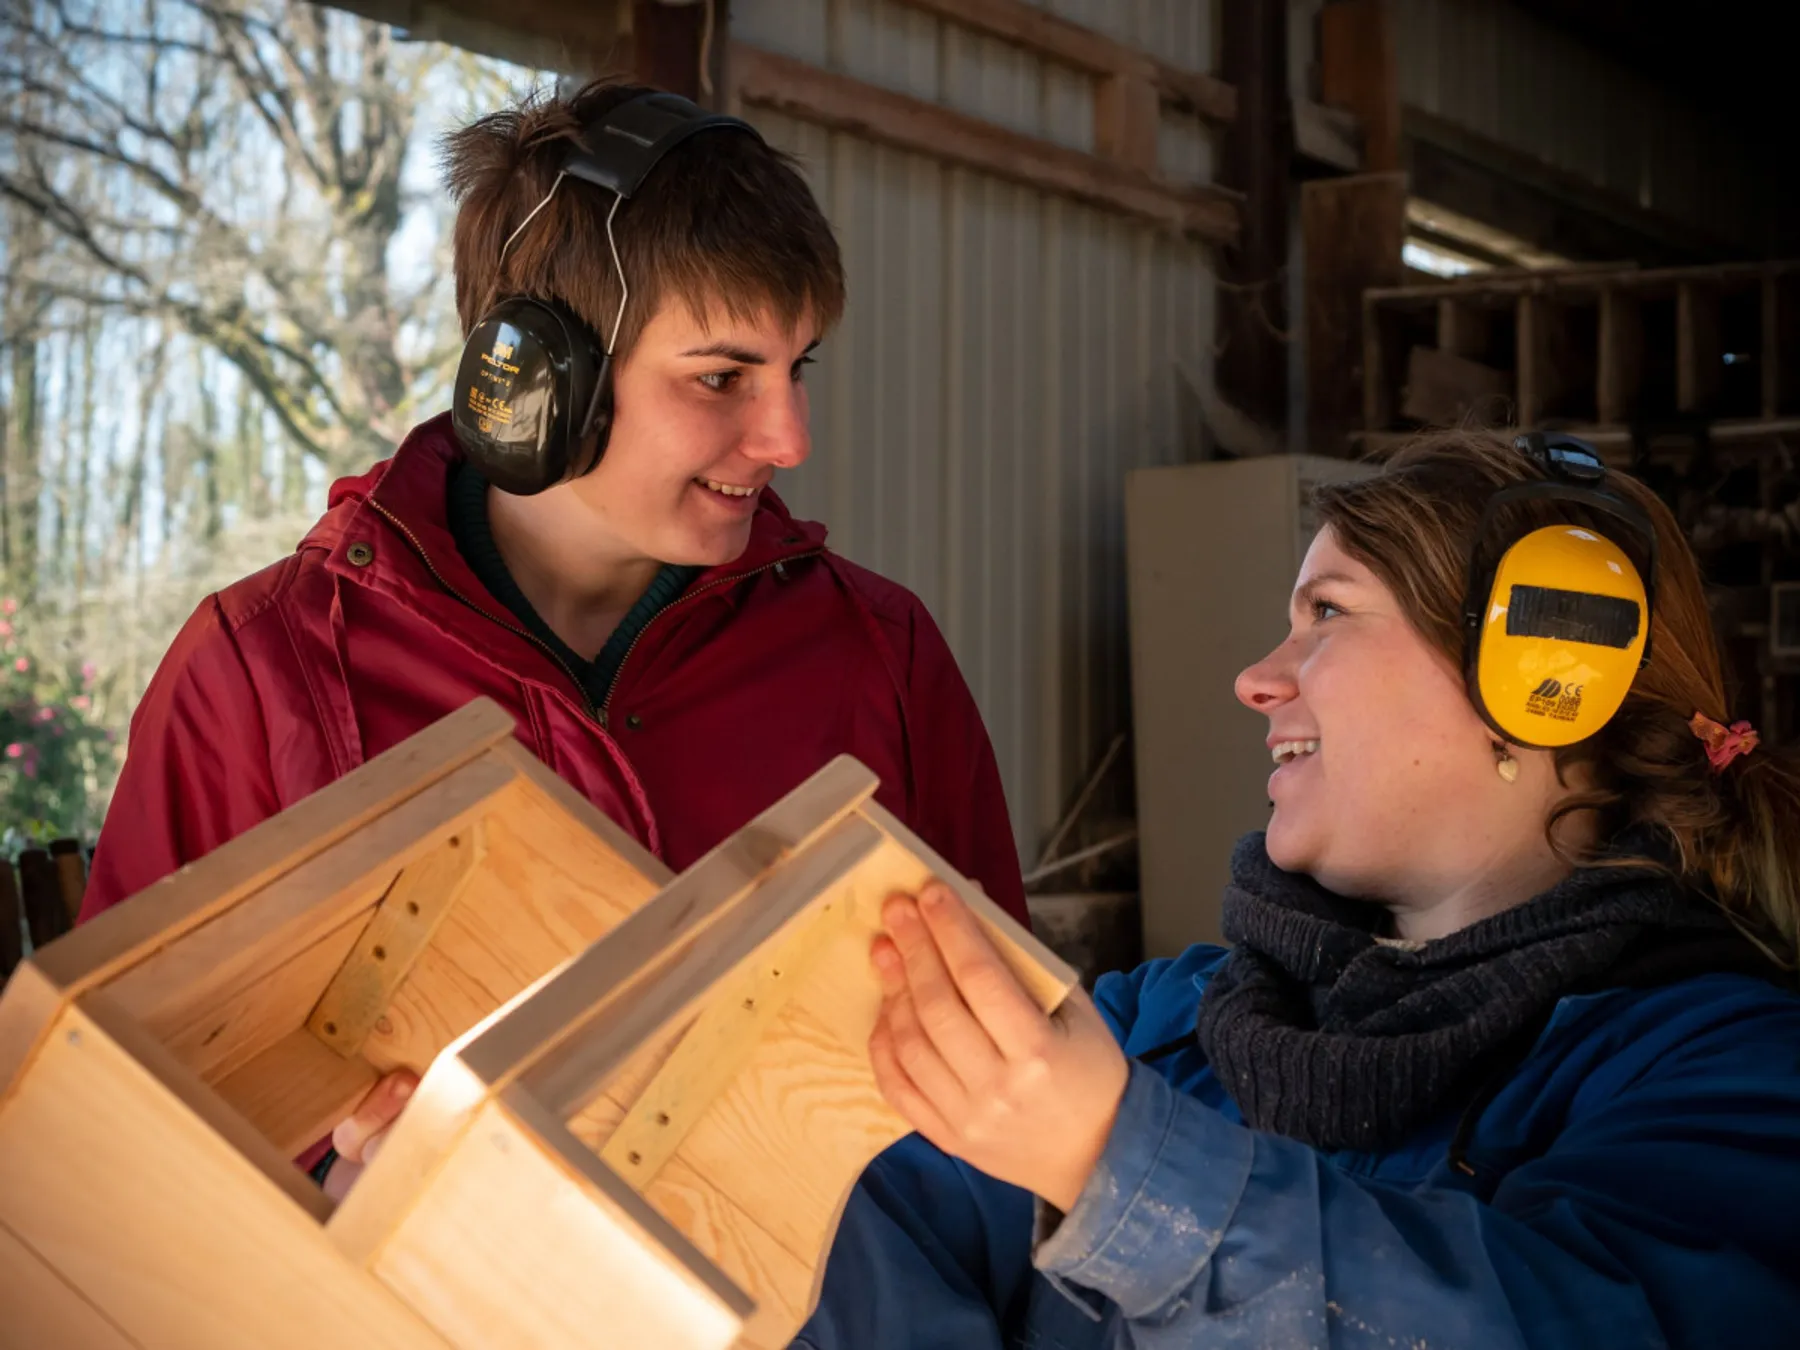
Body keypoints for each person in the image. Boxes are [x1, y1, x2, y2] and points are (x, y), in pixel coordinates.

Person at [76, 81, 1028, 1188]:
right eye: (722, 375)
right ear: (528, 382)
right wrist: (340, 1198)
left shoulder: (883, 653)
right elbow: (112, 1158)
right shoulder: (260, 676)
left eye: (796, 369)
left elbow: (1003, 1110)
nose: (788, 436)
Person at [798, 429, 1800, 1349]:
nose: (1257, 679)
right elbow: (875, 1225)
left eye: (1328, 612)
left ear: (1549, 669)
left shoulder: (1725, 1076)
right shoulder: (1162, 1022)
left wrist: (1121, 1166)